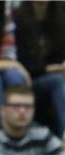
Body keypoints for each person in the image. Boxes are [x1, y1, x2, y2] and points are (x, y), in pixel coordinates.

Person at [13, 1, 65, 141]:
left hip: (58, 75)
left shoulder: (61, 13)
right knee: (58, 81)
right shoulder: (17, 16)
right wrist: (54, 68)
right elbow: (21, 59)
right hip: (30, 79)